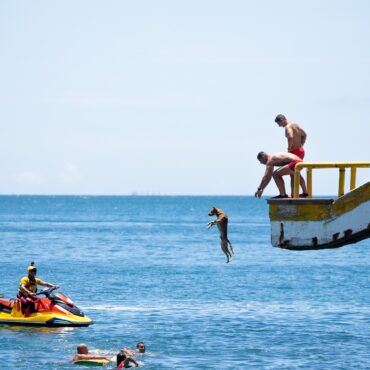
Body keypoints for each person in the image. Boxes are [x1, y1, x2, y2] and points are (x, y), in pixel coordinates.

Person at [275, 114, 308, 196]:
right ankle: (300, 193)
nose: (280, 126)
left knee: (293, 173)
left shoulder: (288, 127)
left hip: (294, 152)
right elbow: (304, 134)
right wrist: (301, 145)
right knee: (294, 172)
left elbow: (290, 136)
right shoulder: (295, 125)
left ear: (282, 119)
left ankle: (298, 193)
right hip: (300, 150)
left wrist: (289, 148)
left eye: (279, 124)